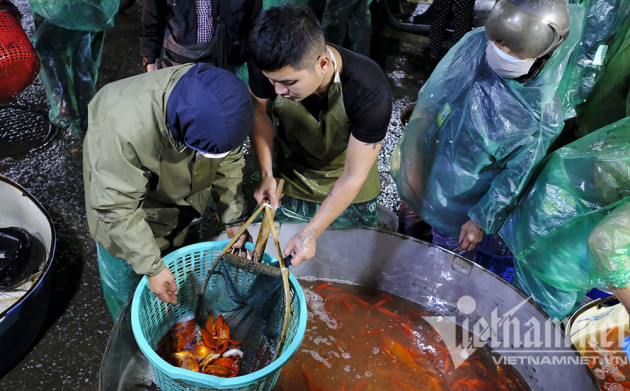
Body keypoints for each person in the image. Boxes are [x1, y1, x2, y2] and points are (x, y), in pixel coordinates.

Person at [391, 0, 578, 257]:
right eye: (499, 42)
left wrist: (480, 219)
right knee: (405, 237)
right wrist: (425, 104)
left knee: (444, 262)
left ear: (544, 52)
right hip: (427, 164)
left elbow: (515, 176)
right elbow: (447, 82)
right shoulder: (477, 43)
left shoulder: (540, 114)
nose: (501, 52)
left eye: (516, 51)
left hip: (460, 199)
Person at [83, 63, 254, 319]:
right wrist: (151, 267)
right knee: (132, 303)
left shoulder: (223, 105)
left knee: (185, 288)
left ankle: (182, 321)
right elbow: (117, 207)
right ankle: (136, 340)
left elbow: (228, 164)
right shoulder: (120, 127)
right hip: (125, 223)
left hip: (182, 206)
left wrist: (234, 218)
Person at [247, 4, 392, 266]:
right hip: (290, 177)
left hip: (348, 184)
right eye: (272, 82)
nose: (278, 91)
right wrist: (267, 174)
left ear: (323, 63)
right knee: (268, 258)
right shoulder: (267, 64)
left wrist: (310, 233)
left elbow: (354, 174)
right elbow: (259, 112)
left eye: (289, 83)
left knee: (345, 266)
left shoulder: (369, 88)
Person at [499, 116, 630, 320]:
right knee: (533, 317)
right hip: (561, 216)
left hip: (582, 204)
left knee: (564, 302)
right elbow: (604, 244)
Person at [28, 0, 119, 133]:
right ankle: (85, 117)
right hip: (100, 8)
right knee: (84, 58)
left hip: (69, 7)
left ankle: (66, 108)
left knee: (46, 49)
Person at [140, 0, 261, 72]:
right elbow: (152, 16)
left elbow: (252, 23)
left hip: (224, 59)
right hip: (177, 59)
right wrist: (150, 60)